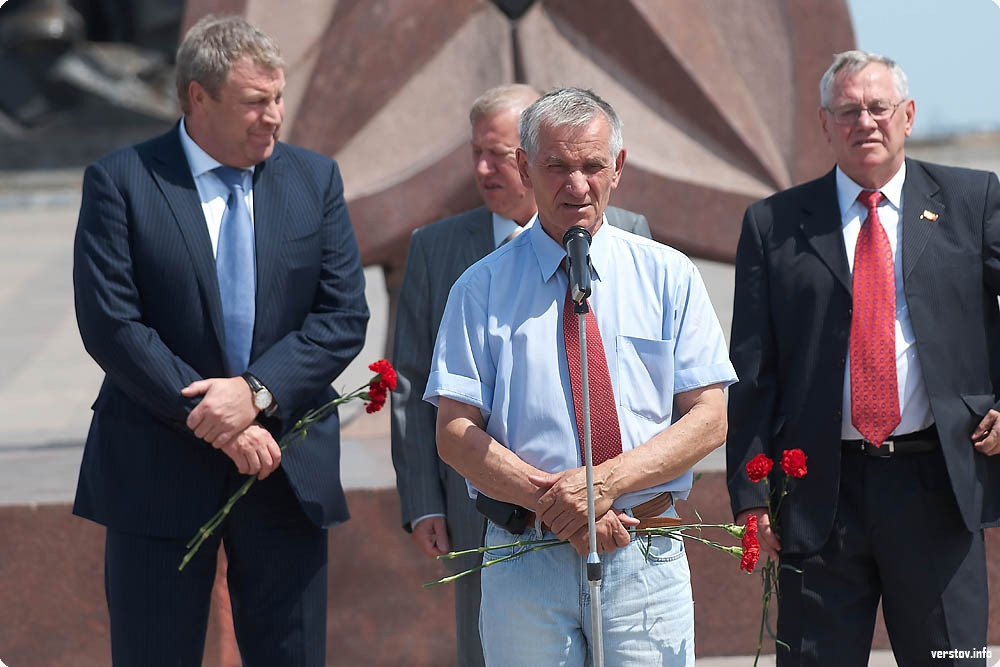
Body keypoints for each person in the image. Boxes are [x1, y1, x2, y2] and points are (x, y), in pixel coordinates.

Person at [72, 15, 369, 666]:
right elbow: (113, 324)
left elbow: (343, 314)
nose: (274, 117)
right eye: (255, 102)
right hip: (157, 471)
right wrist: (219, 419)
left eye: (279, 98)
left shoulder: (314, 180)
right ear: (198, 97)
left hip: (283, 466)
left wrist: (256, 393)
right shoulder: (122, 181)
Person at [423, 87, 736, 666]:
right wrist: (558, 503)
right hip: (526, 559)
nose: (576, 184)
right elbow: (454, 432)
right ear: (524, 168)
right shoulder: (480, 288)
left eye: (592, 166)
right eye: (557, 166)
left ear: (618, 167)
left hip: (645, 550)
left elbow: (710, 418)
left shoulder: (669, 276)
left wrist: (605, 485)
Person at [727, 50, 1000, 665]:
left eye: (879, 108)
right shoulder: (772, 224)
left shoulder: (972, 200)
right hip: (819, 495)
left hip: (937, 488)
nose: (865, 122)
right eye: (848, 110)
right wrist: (749, 497)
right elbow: (751, 371)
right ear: (825, 124)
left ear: (907, 115)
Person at [389, 83, 650, 666]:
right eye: (476, 153)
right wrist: (423, 501)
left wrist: (603, 491)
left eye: (499, 154)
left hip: (625, 518)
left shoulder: (633, 236)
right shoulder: (440, 250)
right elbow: (412, 382)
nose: (485, 169)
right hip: (485, 507)